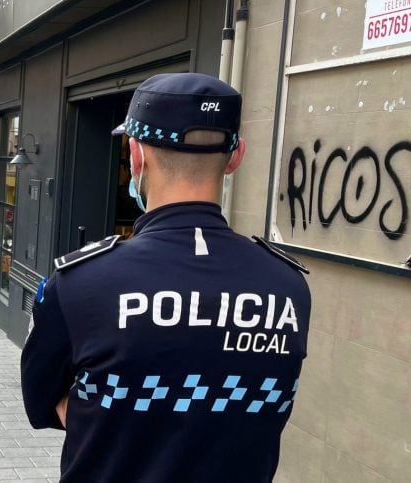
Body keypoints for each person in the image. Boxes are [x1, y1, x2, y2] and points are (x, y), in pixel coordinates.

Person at [20, 73, 312, 482]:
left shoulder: (79, 282)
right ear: (235, 156)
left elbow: (42, 401)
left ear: (136, 157)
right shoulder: (289, 287)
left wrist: (119, 414)